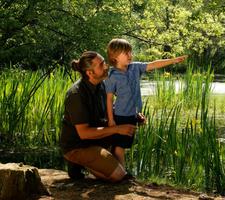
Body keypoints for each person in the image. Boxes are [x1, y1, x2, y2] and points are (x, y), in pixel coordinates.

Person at [105, 38, 187, 167]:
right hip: (120, 115)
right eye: (126, 53)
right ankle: (121, 172)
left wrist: (172, 60)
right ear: (114, 56)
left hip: (132, 114)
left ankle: (117, 170)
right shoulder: (112, 75)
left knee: (125, 144)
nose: (130, 55)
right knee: (119, 146)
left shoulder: (135, 67)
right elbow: (109, 99)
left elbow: (153, 64)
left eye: (130, 52)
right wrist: (111, 120)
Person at [60, 51, 136, 182]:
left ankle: (117, 169)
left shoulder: (102, 85)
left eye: (104, 63)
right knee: (117, 176)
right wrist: (117, 129)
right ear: (90, 73)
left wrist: (132, 115)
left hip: (96, 140)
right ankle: (79, 162)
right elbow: (84, 133)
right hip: (78, 145)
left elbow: (110, 111)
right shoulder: (76, 95)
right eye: (101, 65)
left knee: (127, 123)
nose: (106, 66)